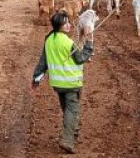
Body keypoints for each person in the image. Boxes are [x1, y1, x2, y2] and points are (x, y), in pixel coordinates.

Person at [32, 11, 94, 154]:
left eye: (68, 22)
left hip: (57, 84)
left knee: (68, 110)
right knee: (72, 110)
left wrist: (36, 80)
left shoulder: (49, 40)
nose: (68, 25)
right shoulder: (68, 42)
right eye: (65, 23)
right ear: (58, 25)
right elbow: (80, 58)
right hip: (71, 83)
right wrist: (89, 43)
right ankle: (67, 140)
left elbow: (43, 62)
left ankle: (74, 133)